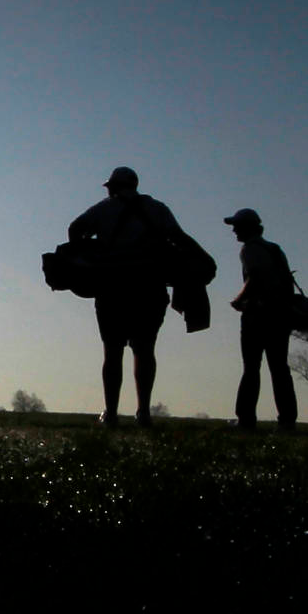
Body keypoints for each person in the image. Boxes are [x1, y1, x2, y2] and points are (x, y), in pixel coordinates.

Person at [67, 166, 191, 427]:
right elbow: (178, 237)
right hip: (150, 287)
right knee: (145, 350)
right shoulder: (158, 209)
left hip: (112, 287)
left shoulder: (104, 209)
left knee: (112, 352)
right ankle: (143, 412)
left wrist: (87, 254)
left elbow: (75, 228)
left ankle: (110, 413)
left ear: (113, 186)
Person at [225, 207, 297, 428]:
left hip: (257, 315)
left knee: (251, 368)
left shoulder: (249, 250)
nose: (234, 231)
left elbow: (254, 276)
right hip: (280, 315)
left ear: (247, 228)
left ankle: (245, 419)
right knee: (279, 368)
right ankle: (287, 420)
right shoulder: (275, 249)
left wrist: (238, 300)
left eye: (237, 226)